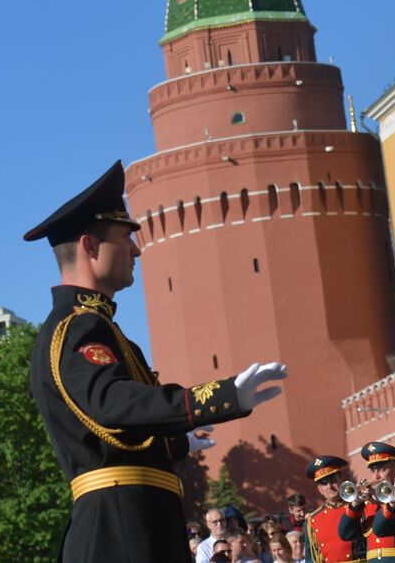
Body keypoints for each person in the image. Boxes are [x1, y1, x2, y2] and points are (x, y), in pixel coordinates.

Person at [23, 160, 287, 563]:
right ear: (90, 247)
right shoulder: (77, 328)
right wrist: (218, 397)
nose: (136, 249)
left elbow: (116, 432)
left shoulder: (99, 328)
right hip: (119, 530)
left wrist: (174, 441)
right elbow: (112, 403)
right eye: (125, 236)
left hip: (134, 523)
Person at [303, 454, 362, 563]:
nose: (329, 487)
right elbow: (311, 558)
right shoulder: (312, 520)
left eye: (333, 480)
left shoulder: (358, 507)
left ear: (341, 479)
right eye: (324, 483)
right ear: (319, 489)